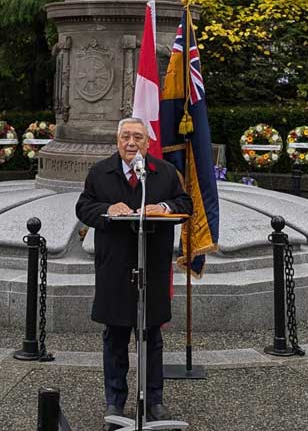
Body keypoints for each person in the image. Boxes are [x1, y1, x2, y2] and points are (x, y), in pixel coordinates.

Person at [75, 117, 193, 422]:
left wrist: (164, 208)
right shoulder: (101, 172)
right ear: (117, 141)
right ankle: (115, 401)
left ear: (147, 142)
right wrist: (106, 209)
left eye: (138, 137)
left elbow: (185, 203)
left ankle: (155, 399)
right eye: (126, 137)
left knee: (151, 336)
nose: (131, 143)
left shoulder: (163, 172)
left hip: (151, 267)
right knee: (114, 336)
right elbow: (83, 206)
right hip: (115, 267)